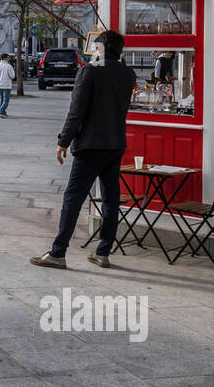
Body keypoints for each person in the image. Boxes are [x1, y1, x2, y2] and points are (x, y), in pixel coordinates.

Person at [30, 30, 135, 269]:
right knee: (111, 199)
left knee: (73, 198)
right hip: (116, 143)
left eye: (96, 48)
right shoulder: (128, 74)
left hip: (90, 145)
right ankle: (103, 252)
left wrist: (63, 141)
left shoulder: (89, 71)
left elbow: (76, 111)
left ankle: (58, 253)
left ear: (100, 49)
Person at [0, 53, 16, 117]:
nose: (9, 59)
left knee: (2, 99)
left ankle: (3, 112)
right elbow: (12, 76)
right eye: (8, 57)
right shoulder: (8, 66)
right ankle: (1, 112)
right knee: (6, 100)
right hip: (7, 85)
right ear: (5, 58)